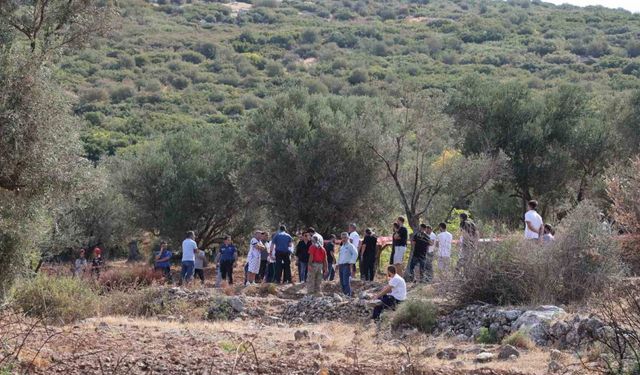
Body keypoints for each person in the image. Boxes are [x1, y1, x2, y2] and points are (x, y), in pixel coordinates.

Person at [337, 232, 358, 296]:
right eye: (342, 238)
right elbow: (340, 256)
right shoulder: (342, 247)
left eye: (345, 237)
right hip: (341, 265)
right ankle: (344, 294)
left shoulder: (350, 246)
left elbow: (355, 254)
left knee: (346, 281)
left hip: (346, 265)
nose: (343, 239)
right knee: (342, 282)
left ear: (348, 238)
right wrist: (338, 264)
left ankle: (348, 295)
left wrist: (351, 263)